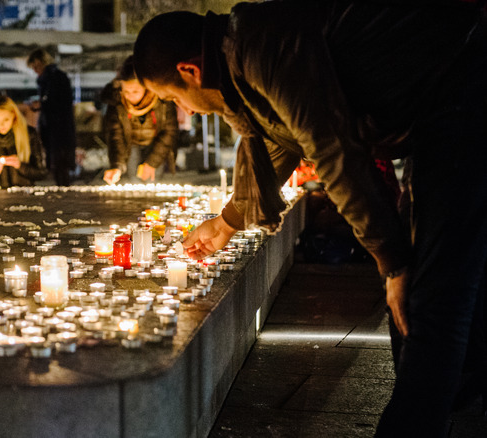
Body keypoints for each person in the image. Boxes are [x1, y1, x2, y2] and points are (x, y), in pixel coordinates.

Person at [133, 3, 486, 437]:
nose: (186, 108)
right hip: (438, 111)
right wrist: (225, 224)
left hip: (463, 95)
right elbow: (281, 141)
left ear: (188, 71)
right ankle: (452, 397)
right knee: (434, 290)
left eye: (172, 97)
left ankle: (424, 415)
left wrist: (392, 263)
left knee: (434, 297)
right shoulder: (242, 53)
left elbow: (330, 147)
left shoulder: (261, 49)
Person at [100, 55, 178, 185]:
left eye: (135, 91)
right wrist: (117, 166)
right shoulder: (117, 102)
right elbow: (115, 135)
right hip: (131, 146)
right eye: (126, 91)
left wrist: (152, 162)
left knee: (152, 181)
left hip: (156, 144)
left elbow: (170, 131)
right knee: (134, 181)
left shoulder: (161, 100)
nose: (130, 96)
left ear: (145, 88)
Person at [26, 48, 76, 186]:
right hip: (54, 125)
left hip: (58, 127)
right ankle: (61, 185)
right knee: (57, 160)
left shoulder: (54, 78)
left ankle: (63, 187)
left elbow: (59, 102)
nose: (35, 70)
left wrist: (42, 104)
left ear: (42, 62)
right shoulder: (46, 79)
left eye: (36, 66)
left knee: (59, 159)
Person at [0, 95, 47, 189]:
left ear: (14, 115)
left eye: (6, 119)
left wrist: (20, 165)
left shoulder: (29, 134)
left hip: (25, 195)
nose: (1, 125)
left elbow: (41, 173)